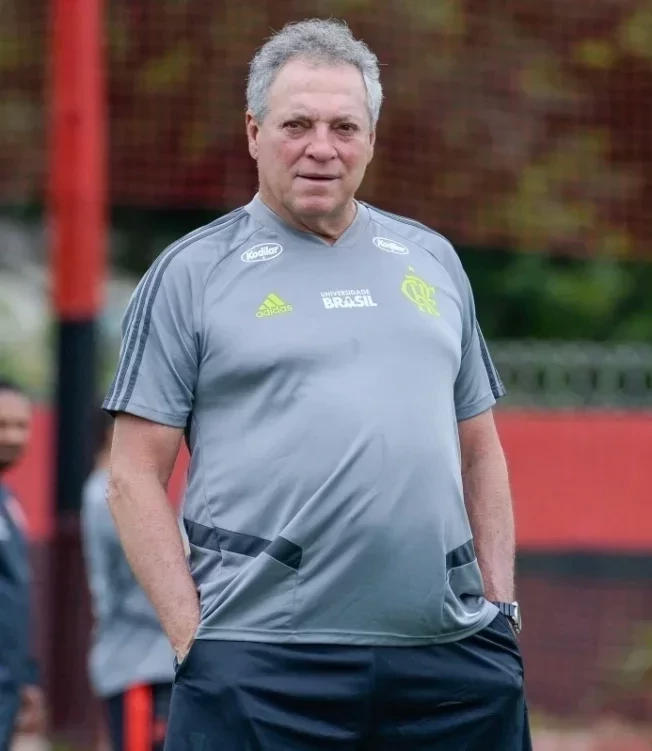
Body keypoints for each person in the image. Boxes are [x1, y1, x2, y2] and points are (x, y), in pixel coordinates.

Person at [103, 18, 532, 750]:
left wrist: (500, 607)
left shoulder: (432, 260)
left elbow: (481, 451)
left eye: (344, 126)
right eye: (296, 124)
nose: (321, 148)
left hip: (448, 656)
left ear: (371, 139)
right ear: (253, 132)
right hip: (259, 662)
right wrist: (191, 638)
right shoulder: (191, 273)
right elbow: (133, 472)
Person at [81, 409, 176, 751]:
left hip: (150, 659)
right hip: (140, 660)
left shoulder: (115, 489)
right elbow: (153, 572)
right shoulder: (112, 492)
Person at [0, 378, 46, 751]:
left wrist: (25, 676)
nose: (14, 436)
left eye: (21, 425)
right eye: (2, 425)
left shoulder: (9, 502)